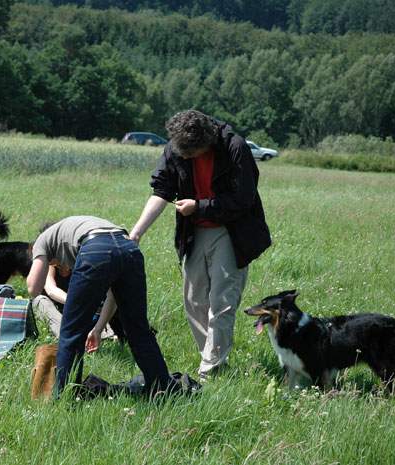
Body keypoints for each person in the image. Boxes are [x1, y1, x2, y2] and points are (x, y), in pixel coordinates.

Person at [129, 110, 271, 379]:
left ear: (207, 143)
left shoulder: (234, 147)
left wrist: (199, 206)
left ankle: (211, 369)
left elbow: (243, 199)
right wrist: (136, 233)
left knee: (223, 300)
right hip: (193, 232)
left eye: (190, 156)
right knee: (194, 300)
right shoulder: (176, 147)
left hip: (232, 231)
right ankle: (213, 357)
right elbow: (162, 189)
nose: (184, 158)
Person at [27, 216, 175, 396]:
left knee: (71, 333)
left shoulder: (42, 241)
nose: (61, 268)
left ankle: (63, 396)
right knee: (139, 330)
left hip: (95, 249)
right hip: (129, 248)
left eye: (55, 264)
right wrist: (98, 328)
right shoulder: (75, 232)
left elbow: (33, 288)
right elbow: (114, 294)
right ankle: (163, 390)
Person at [32, 263, 117, 340]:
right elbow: (51, 290)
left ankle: (101, 332)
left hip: (76, 312)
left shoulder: (82, 266)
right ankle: (68, 334)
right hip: (55, 311)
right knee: (40, 300)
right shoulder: (49, 265)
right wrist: (75, 302)